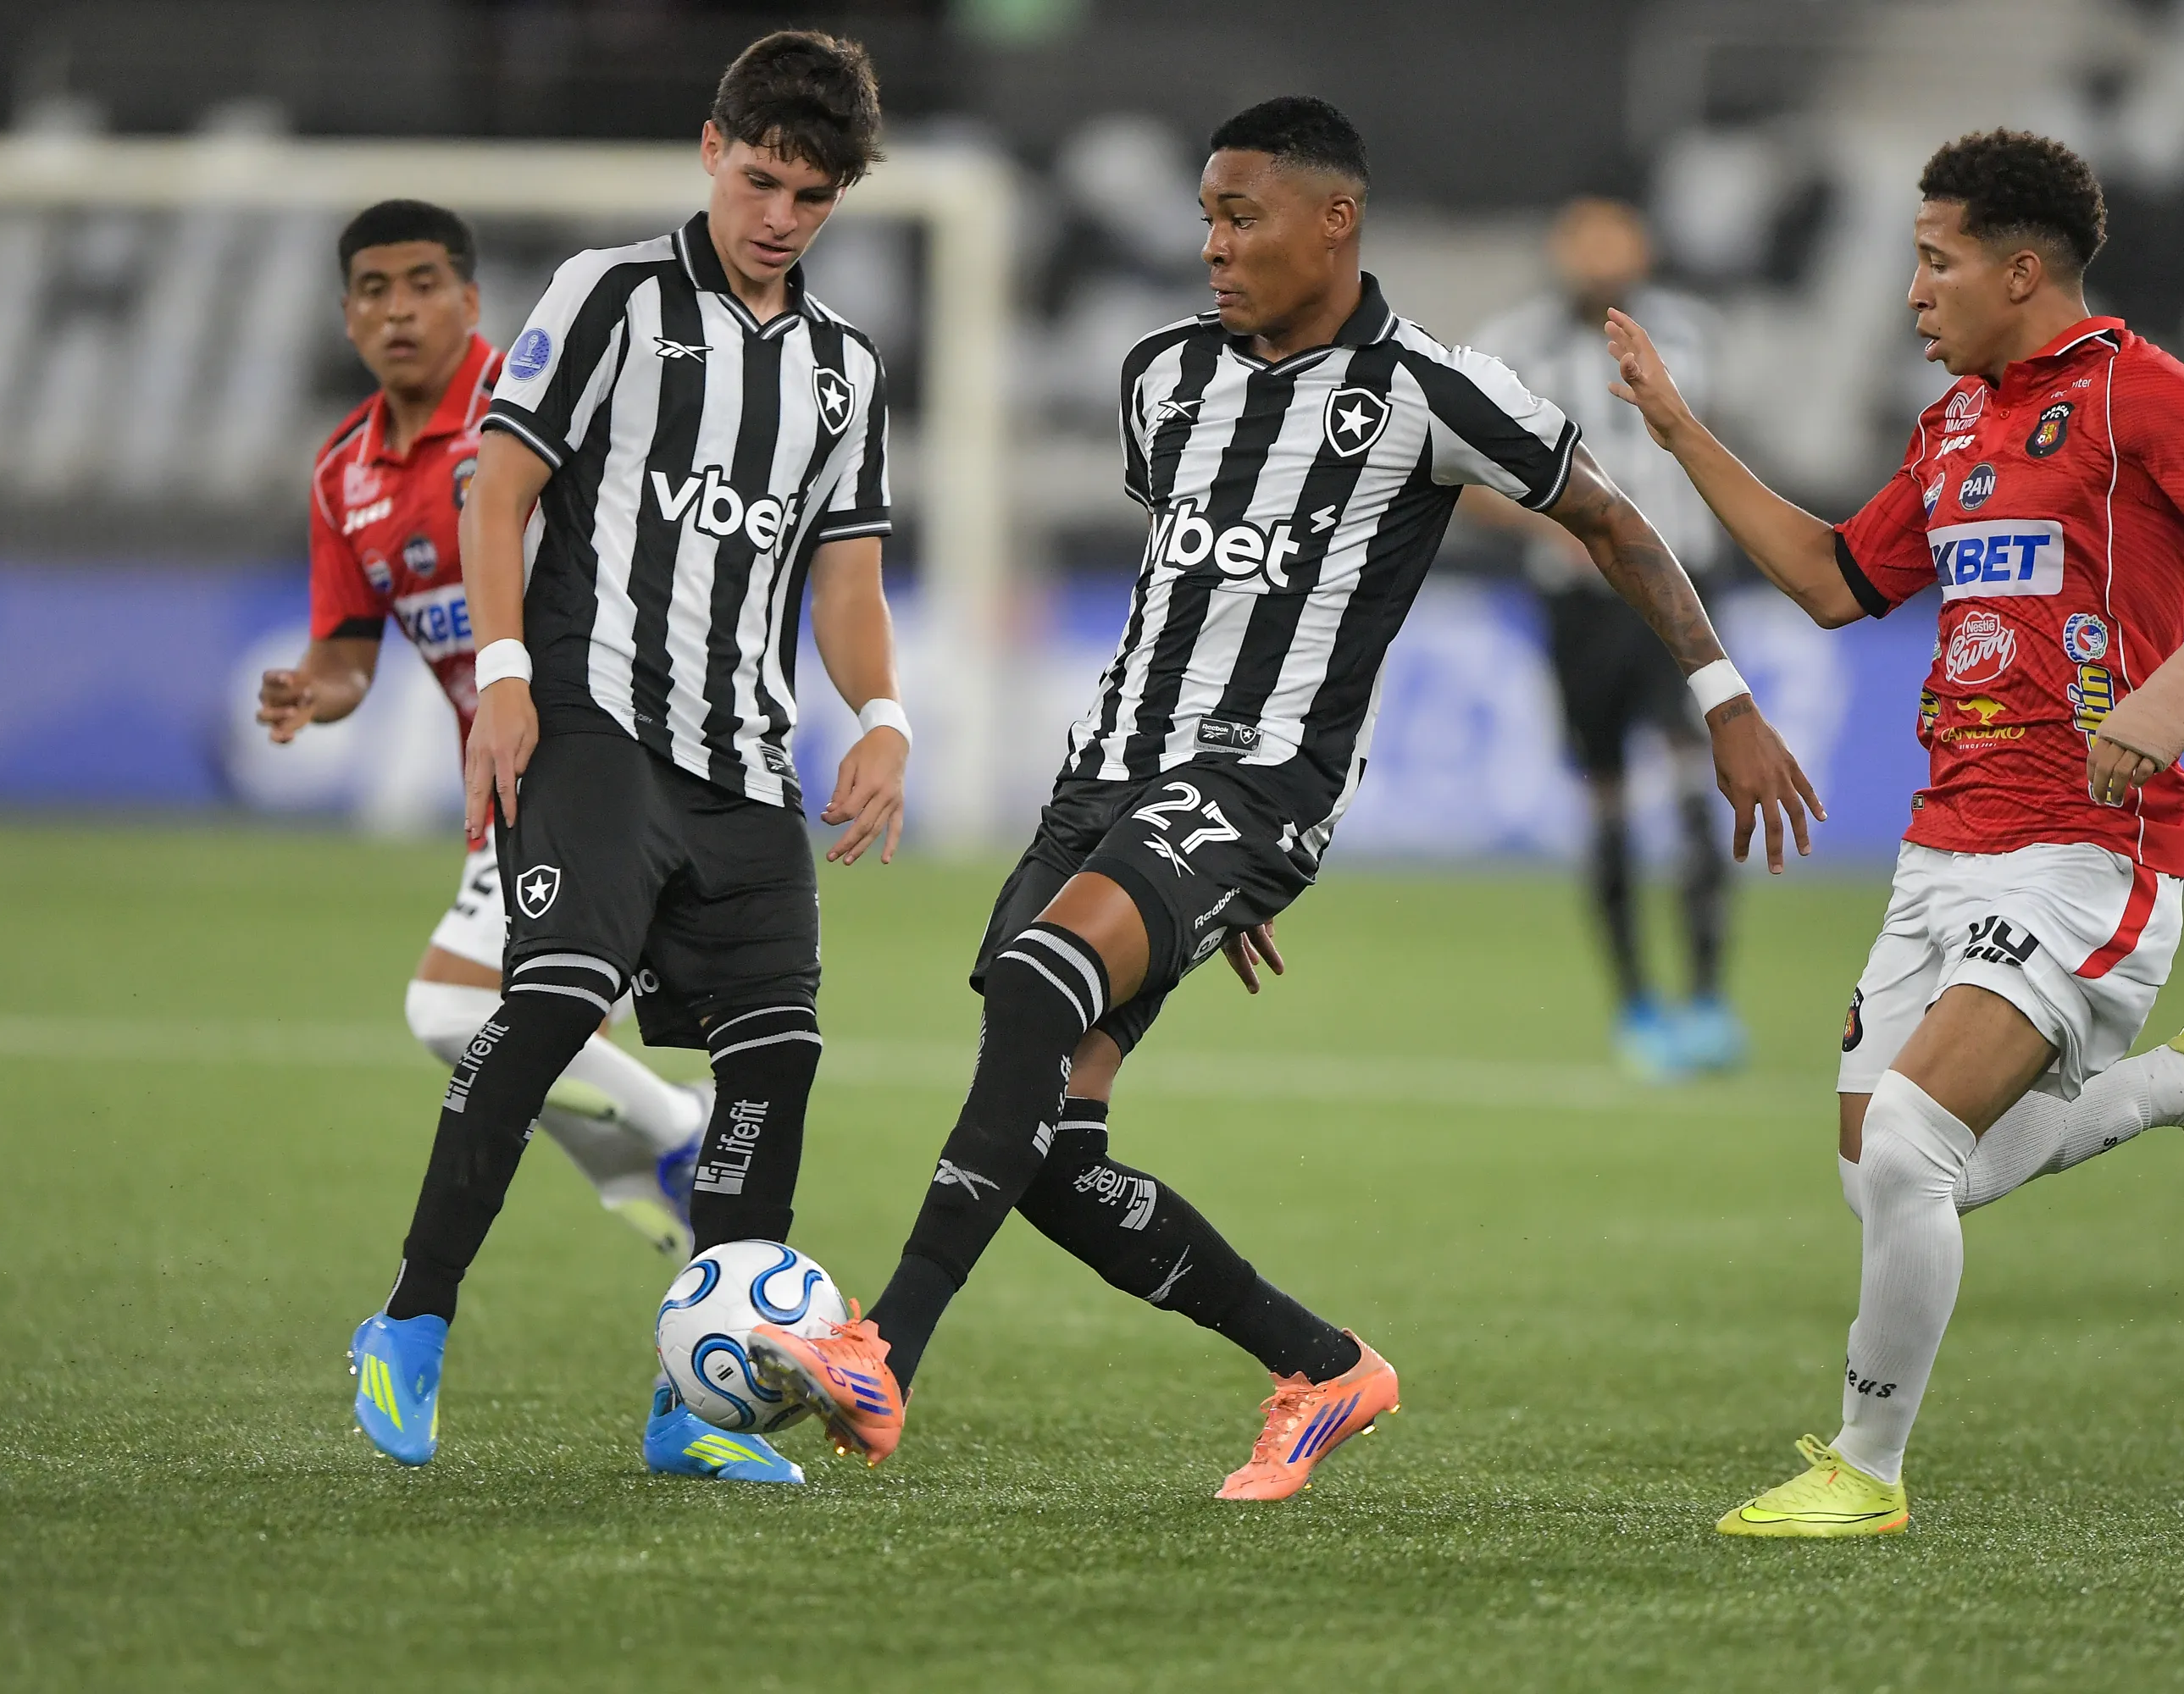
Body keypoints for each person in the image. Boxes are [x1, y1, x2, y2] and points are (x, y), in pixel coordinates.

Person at [747, 97, 1823, 1500]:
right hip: (1109, 788)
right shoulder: (1162, 378)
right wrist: (1175, 889)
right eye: (1204, 215)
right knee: (1055, 1153)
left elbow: (1616, 523)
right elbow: (1196, 586)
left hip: (1256, 785)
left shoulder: (1437, 391)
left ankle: (886, 1344)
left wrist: (1725, 698)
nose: (1212, 244)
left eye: (1240, 216)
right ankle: (1320, 1366)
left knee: (1036, 986)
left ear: (1335, 222)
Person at [1606, 129, 2184, 1535]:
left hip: (2089, 847)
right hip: (1944, 848)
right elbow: (1829, 578)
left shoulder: (2140, 392)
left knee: (1911, 1149)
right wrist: (1681, 432)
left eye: (1936, 262)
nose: (1916, 292)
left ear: (2023, 265)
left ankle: (1864, 1475)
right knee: (1885, 1166)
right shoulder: (1950, 428)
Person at [343, 31, 909, 1487]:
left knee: (775, 1068)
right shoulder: (607, 297)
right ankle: (409, 1322)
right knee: (544, 1012)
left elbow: (843, 581)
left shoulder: (845, 373)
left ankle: (690, 1417)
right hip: (594, 725)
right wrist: (508, 681)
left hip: (744, 763)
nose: (781, 214)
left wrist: (887, 720)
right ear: (715, 150)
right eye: (764, 179)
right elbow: (502, 494)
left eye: (814, 195)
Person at [261, 200, 716, 1270]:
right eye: (376, 290)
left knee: (451, 1008)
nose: (401, 309)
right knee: (535, 1030)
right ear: (348, 318)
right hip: (511, 780)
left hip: (610, 746)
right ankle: (694, 1223)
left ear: (469, 300)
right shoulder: (344, 475)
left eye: (425, 284)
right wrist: (312, 691)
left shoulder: (540, 399)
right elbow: (348, 654)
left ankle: (677, 1140)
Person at [1462, 197, 1740, 1077]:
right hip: (1583, 605)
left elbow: (1725, 452)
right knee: (1608, 795)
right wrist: (1550, 529)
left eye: (1616, 236)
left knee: (1697, 775)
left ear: (1642, 246)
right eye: (1585, 238)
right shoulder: (1514, 345)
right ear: (1562, 249)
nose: (1600, 254)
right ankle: (1637, 1003)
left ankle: (1706, 997)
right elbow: (1459, 469)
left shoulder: (1693, 337)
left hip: (1684, 589)